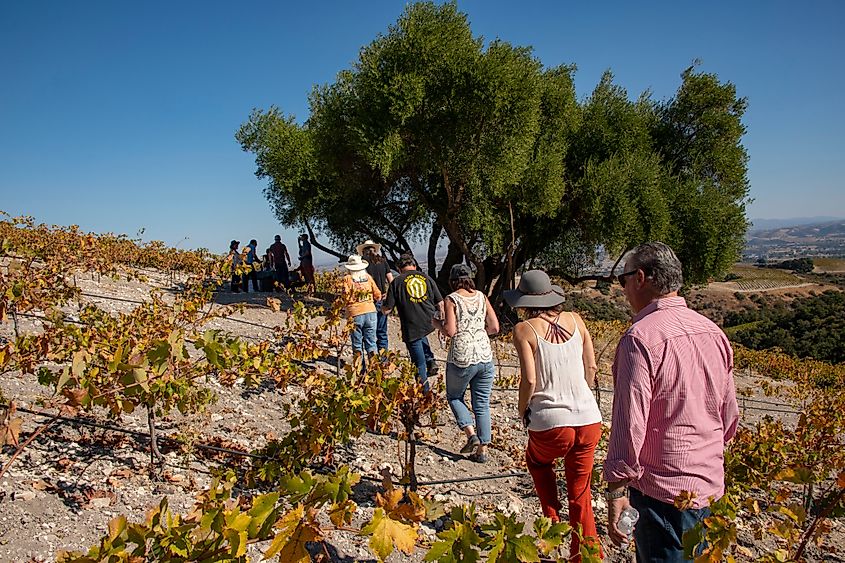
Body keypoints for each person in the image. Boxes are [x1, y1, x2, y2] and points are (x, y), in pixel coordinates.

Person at [603, 242, 739, 562]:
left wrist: (616, 491)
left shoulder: (640, 339)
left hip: (660, 493)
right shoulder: (713, 333)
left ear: (640, 278)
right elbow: (729, 418)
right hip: (707, 488)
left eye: (622, 280)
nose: (622, 291)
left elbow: (630, 423)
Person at [504, 270, 603, 561]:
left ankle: (551, 521)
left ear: (524, 302)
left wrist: (523, 411)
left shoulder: (524, 330)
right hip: (588, 419)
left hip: (550, 423)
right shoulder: (577, 320)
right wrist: (580, 392)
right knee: (580, 492)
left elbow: (530, 381)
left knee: (536, 461)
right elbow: (592, 368)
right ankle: (584, 556)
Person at [432, 263, 499, 463]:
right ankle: (482, 450)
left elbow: (450, 331)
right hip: (484, 354)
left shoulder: (451, 299)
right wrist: (479, 333)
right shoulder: (482, 296)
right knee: (482, 403)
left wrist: (436, 323)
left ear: (453, 281)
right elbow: (494, 327)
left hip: (462, 356)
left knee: (454, 396)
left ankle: (471, 434)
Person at [382, 253, 443, 390]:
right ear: (414, 266)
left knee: (418, 362)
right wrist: (443, 322)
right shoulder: (426, 278)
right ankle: (430, 360)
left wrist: (381, 308)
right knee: (422, 337)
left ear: (398, 268)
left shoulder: (396, 282)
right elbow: (440, 302)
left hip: (411, 325)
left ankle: (424, 392)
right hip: (429, 321)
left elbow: (387, 309)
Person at [340, 254, 382, 370]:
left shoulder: (347, 279)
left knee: (357, 344)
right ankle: (375, 370)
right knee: (371, 343)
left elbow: (346, 297)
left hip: (354, 313)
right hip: (370, 312)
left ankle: (360, 371)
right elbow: (378, 295)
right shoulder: (368, 277)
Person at [357, 239, 393, 353]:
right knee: (382, 332)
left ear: (363, 251)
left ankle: (372, 359)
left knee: (368, 332)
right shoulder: (382, 261)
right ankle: (383, 360)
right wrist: (388, 295)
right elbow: (391, 280)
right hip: (382, 299)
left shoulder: (362, 263)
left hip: (368, 301)